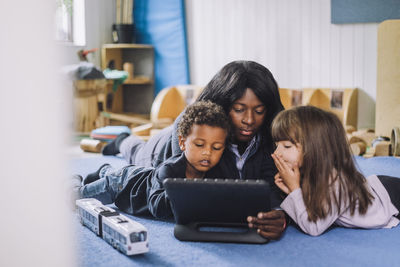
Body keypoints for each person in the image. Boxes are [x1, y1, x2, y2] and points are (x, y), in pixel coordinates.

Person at [103, 60, 287, 240]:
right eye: (239, 109)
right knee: (137, 151)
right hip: (159, 150)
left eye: (259, 111)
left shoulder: (269, 133)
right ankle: (122, 140)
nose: (249, 120)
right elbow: (181, 192)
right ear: (223, 105)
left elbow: (271, 185)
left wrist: (277, 213)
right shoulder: (188, 135)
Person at [72, 101, 231, 218]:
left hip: (138, 175)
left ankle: (104, 170)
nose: (207, 153)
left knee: (124, 173)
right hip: (121, 186)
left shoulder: (216, 174)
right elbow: (156, 207)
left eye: (216, 147)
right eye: (199, 145)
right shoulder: (169, 169)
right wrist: (188, 194)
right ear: (182, 143)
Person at [267, 105, 400, 236]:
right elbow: (309, 209)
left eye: (286, 146)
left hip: (389, 196)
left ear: (315, 148)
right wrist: (291, 190)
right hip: (377, 187)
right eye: (276, 145)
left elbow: (313, 227)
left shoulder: (337, 183)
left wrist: (294, 189)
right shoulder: (309, 172)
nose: (276, 153)